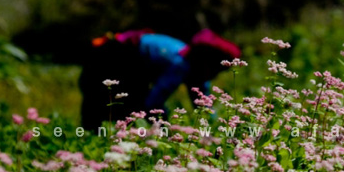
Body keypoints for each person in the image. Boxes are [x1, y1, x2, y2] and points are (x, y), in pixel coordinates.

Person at [79, 28, 241, 130]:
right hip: (118, 58)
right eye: (218, 69)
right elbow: (153, 102)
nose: (216, 74)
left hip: (133, 64)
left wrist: (216, 129)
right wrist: (164, 128)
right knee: (113, 104)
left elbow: (204, 103)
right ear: (206, 62)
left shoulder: (194, 67)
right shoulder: (180, 64)